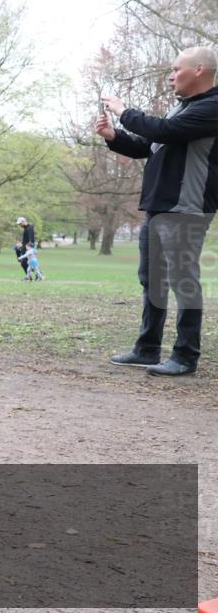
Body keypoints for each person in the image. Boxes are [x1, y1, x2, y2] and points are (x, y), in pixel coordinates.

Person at [97, 45, 218, 377]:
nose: (170, 77)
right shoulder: (181, 110)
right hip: (158, 207)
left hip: (187, 209)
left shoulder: (212, 107)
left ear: (199, 71)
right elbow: (148, 146)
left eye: (176, 70)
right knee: (151, 280)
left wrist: (124, 111)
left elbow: (160, 131)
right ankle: (148, 349)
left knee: (183, 280)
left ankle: (185, 356)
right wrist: (113, 136)